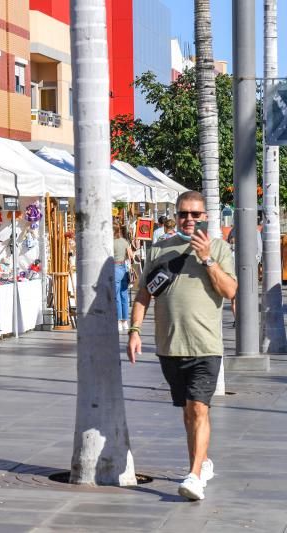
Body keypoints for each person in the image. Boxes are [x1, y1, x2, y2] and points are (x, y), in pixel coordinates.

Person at [126, 191, 237, 501]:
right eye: (183, 214)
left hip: (206, 346)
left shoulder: (218, 248)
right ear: (176, 217)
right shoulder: (160, 250)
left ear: (205, 217)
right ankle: (202, 463)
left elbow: (230, 291)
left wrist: (208, 260)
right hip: (170, 346)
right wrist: (134, 331)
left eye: (195, 214)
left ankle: (194, 475)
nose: (189, 219)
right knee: (188, 412)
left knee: (200, 408)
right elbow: (144, 294)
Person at [113, 224, 134, 332]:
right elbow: (131, 255)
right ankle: (125, 321)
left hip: (115, 267)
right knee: (124, 295)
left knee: (116, 296)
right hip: (124, 268)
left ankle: (118, 321)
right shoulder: (124, 242)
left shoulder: (111, 242)